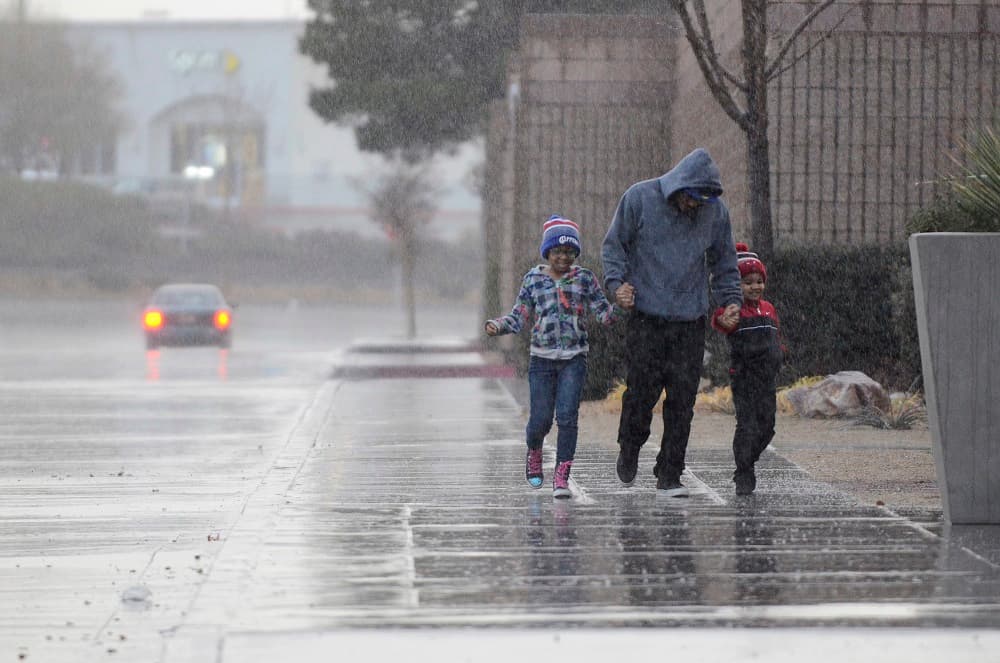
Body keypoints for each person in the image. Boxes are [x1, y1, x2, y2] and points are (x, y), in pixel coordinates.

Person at [602, 147, 742, 497]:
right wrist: (617, 285)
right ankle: (630, 445)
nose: (694, 206)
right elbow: (614, 246)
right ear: (679, 187)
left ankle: (670, 472)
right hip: (647, 317)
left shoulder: (716, 213)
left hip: (689, 321)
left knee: (682, 401)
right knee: (641, 394)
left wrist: (730, 301)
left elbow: (725, 261)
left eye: (702, 200)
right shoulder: (639, 198)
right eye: (691, 198)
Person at [486, 215, 620, 499]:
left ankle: (562, 473)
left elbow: (603, 312)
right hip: (542, 360)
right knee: (540, 420)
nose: (563, 257)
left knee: (568, 417)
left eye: (569, 252)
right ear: (547, 252)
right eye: (558, 252)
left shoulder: (584, 279)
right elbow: (519, 314)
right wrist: (499, 326)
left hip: (574, 358)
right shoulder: (534, 279)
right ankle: (534, 449)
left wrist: (620, 306)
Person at [711, 243, 784, 495]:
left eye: (758, 281)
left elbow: (775, 338)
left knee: (767, 426)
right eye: (747, 282)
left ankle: (748, 460)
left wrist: (779, 356)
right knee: (747, 425)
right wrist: (722, 318)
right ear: (737, 285)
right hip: (743, 378)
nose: (755, 287)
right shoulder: (735, 310)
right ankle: (743, 470)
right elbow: (720, 320)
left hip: (767, 379)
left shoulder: (769, 309)